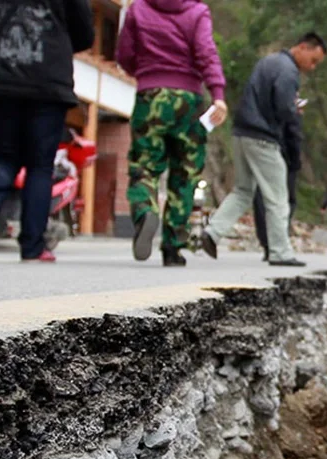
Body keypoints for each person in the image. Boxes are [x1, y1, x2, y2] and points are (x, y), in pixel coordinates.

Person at [0, 0, 94, 263]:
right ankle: (32, 246)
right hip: (48, 84)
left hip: (1, 79)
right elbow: (84, 34)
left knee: (4, 157)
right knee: (40, 166)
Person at [200, 33, 327, 267]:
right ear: (302, 47)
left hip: (241, 133)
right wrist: (294, 111)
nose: (312, 67)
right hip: (263, 137)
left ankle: (212, 231)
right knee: (278, 197)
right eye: (313, 60)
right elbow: (282, 107)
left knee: (243, 190)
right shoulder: (289, 71)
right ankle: (280, 252)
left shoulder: (267, 62)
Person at [118, 0, 228, 267]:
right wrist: (218, 94)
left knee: (145, 166)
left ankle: (145, 211)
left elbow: (124, 54)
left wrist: (147, 73)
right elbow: (206, 52)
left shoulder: (138, 9)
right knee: (185, 173)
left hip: (150, 96)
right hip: (188, 100)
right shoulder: (196, 11)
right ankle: (172, 247)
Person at [253, 96, 304, 261]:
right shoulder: (289, 115)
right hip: (284, 161)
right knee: (285, 202)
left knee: (262, 200)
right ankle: (278, 242)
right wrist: (296, 162)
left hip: (261, 157)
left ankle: (267, 243)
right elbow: (294, 138)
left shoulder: (262, 111)